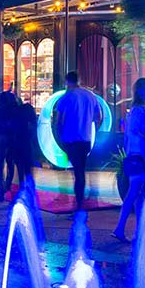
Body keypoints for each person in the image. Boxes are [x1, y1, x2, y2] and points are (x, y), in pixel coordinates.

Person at [112, 78, 145, 242]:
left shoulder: (139, 111)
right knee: (134, 193)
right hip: (138, 157)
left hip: (138, 157)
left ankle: (138, 233)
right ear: (142, 91)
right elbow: (135, 133)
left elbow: (130, 135)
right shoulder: (139, 111)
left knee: (138, 195)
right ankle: (121, 229)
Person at [52, 71, 102, 211]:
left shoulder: (66, 97)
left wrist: (59, 135)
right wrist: (91, 127)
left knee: (77, 172)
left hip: (70, 139)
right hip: (85, 139)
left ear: (67, 81)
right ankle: (82, 201)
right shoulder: (90, 96)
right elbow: (98, 116)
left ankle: (79, 205)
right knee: (80, 170)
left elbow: (59, 120)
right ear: (79, 80)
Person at [0, 84, 20, 201]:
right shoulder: (14, 105)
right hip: (11, 135)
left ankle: (1, 190)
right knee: (10, 162)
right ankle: (8, 185)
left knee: (0, 162)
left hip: (1, 134)